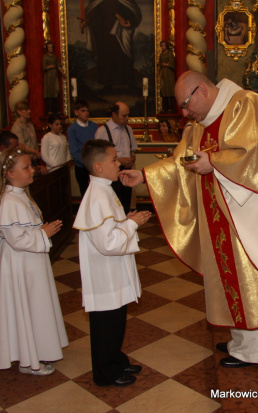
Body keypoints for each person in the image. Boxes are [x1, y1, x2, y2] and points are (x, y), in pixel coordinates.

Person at [120, 71, 258, 368]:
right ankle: (257, 340)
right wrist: (146, 175)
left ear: (202, 90)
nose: (186, 113)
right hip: (227, 218)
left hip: (256, 217)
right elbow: (184, 161)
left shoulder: (246, 104)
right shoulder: (201, 125)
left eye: (186, 105)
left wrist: (214, 161)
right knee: (238, 278)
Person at [74, 139, 151, 387]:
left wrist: (125, 221)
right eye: (114, 160)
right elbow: (107, 244)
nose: (119, 163)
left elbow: (109, 228)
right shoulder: (96, 196)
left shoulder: (105, 188)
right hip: (103, 275)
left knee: (116, 321)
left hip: (112, 272)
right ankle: (105, 373)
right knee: (106, 326)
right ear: (98, 166)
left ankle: (116, 360)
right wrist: (131, 224)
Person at [0, 147, 68, 376]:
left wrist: (40, 231)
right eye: (26, 167)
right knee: (26, 305)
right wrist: (44, 234)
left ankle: (35, 350)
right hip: (21, 264)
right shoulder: (10, 201)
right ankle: (28, 360)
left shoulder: (21, 196)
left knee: (34, 306)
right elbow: (17, 239)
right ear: (10, 174)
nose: (33, 170)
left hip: (30, 262)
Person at [81, 0, 142, 91]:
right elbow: (94, 12)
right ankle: (108, 84)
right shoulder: (101, 2)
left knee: (124, 58)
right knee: (107, 59)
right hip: (104, 37)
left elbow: (133, 11)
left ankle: (130, 83)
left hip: (120, 34)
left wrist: (130, 22)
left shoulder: (123, 2)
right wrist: (86, 21)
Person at [95, 102, 137, 214]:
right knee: (113, 204)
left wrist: (132, 158)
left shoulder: (128, 129)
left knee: (126, 203)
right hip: (111, 173)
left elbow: (132, 149)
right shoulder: (102, 131)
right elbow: (99, 158)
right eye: (124, 116)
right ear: (114, 114)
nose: (127, 118)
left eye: (128, 115)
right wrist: (119, 161)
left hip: (127, 171)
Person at [68, 100, 98, 196]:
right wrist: (87, 164)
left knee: (97, 192)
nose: (86, 113)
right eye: (83, 110)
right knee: (85, 193)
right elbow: (74, 151)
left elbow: (97, 145)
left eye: (87, 111)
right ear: (76, 112)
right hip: (82, 166)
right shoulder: (72, 129)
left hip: (95, 164)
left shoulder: (94, 126)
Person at [42, 42, 63, 115]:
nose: (50, 49)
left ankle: (57, 109)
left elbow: (58, 65)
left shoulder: (54, 57)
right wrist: (50, 66)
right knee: (49, 92)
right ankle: (49, 110)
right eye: (49, 47)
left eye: (51, 47)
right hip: (48, 76)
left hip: (54, 76)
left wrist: (63, 73)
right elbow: (44, 67)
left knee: (56, 91)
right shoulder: (45, 56)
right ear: (47, 48)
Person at [158, 41, 175, 112]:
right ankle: (164, 107)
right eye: (161, 46)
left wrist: (165, 64)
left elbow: (172, 64)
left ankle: (170, 107)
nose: (162, 47)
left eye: (164, 46)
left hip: (169, 73)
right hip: (163, 74)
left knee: (169, 89)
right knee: (163, 89)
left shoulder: (169, 54)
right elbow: (159, 64)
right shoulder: (161, 55)